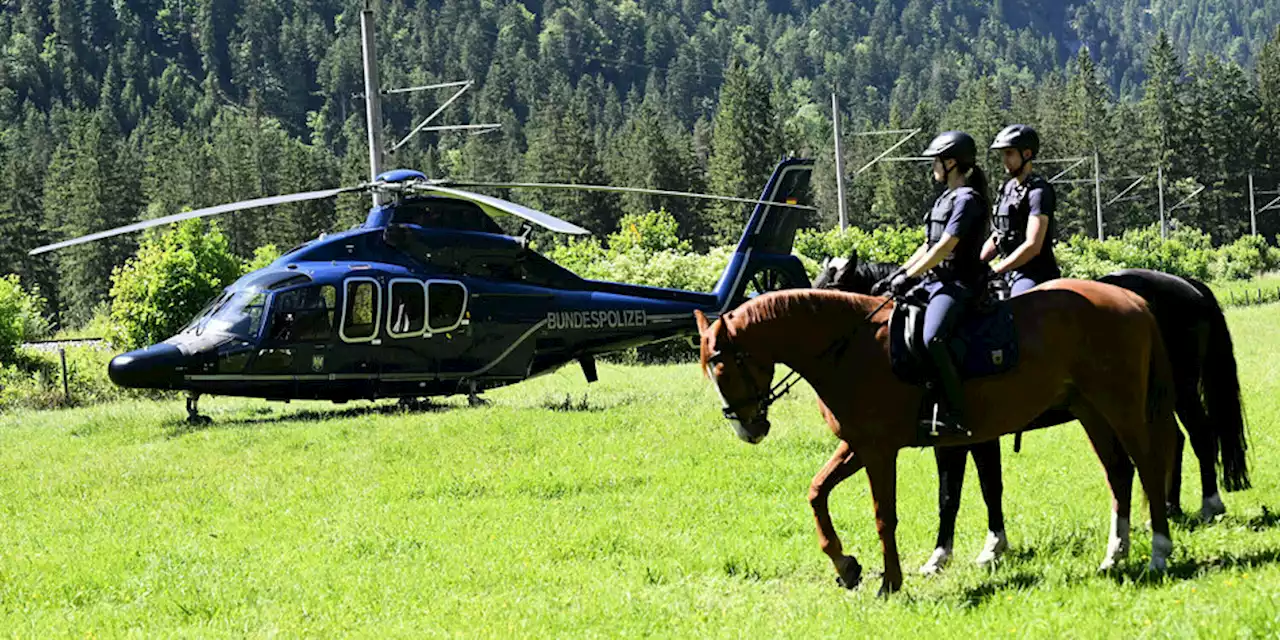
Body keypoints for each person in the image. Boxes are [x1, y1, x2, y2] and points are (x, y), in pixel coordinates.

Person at [887, 131, 991, 436]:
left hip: (960, 284)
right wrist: (900, 273)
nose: (933, 166)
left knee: (933, 337)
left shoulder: (967, 200)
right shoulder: (944, 199)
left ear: (951, 162)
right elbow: (927, 245)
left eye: (936, 160)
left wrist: (911, 276)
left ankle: (956, 412)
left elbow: (945, 247)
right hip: (936, 282)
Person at [983, 125, 1059, 295]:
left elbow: (1033, 245)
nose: (1004, 159)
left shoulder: (1039, 192)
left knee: (1017, 308)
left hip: (1033, 274)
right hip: (1007, 270)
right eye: (1003, 154)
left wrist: (996, 269)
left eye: (1009, 153)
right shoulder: (1007, 188)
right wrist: (977, 264)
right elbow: (998, 236)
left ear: (1026, 154)